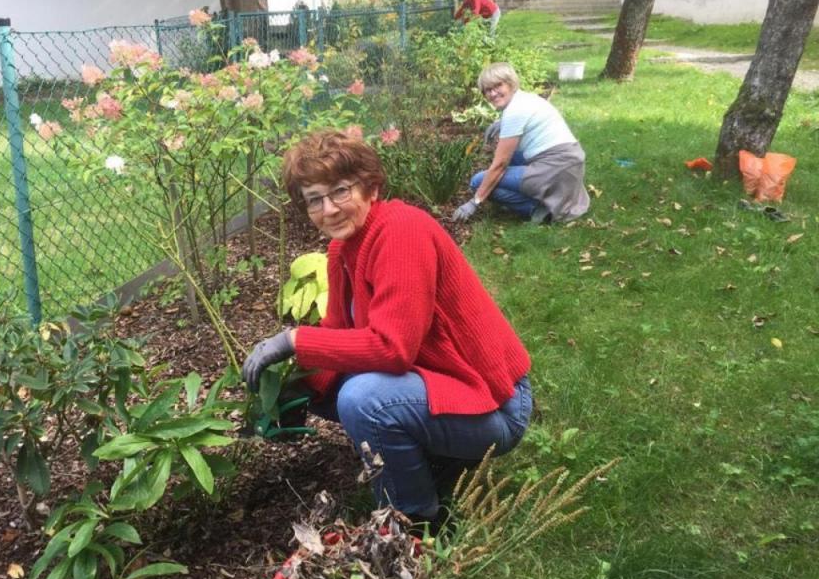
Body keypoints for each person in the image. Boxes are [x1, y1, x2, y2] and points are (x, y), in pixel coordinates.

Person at [243, 130, 533, 528]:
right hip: (448, 383)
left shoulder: (402, 232)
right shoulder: (344, 248)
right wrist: (294, 392)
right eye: (314, 200)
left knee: (365, 399)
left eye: (340, 192)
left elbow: (392, 349)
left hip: (498, 405)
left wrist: (293, 340)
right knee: (335, 390)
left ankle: (415, 521)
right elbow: (338, 332)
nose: (328, 209)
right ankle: (430, 457)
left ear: (371, 187)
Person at [453, 62, 590, 224]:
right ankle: (544, 196)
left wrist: (474, 202)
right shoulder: (526, 99)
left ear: (510, 83)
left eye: (497, 86)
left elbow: (500, 165)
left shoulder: (514, 112)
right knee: (512, 157)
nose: (493, 93)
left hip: (555, 169)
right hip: (569, 163)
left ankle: (538, 209)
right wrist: (501, 123)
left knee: (478, 182)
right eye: (487, 90)